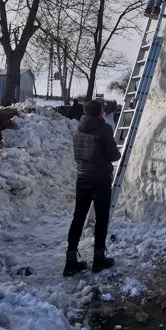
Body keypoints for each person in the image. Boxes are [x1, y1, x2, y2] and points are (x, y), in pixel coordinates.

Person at [64, 99, 121, 276]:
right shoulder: (104, 129)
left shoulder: (77, 130)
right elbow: (113, 155)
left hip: (82, 178)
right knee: (101, 219)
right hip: (100, 179)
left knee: (78, 218)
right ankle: (98, 259)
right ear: (99, 112)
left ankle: (71, 260)